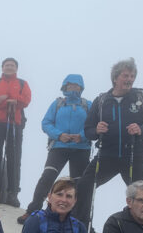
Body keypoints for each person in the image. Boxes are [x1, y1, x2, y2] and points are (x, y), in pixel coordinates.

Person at [73, 58, 143, 233]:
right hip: (107, 155)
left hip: (135, 156)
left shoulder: (141, 98)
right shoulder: (102, 100)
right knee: (84, 185)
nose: (129, 79)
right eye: (125, 75)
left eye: (132, 75)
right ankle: (83, 231)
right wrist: (96, 130)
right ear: (115, 78)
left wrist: (141, 130)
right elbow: (88, 129)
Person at [18, 74, 92, 224]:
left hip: (81, 148)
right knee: (47, 177)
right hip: (59, 146)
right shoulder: (58, 103)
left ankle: (77, 219)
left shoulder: (87, 105)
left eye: (76, 85)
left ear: (81, 87)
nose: (73, 87)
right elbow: (46, 123)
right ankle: (33, 211)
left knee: (79, 185)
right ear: (65, 86)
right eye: (70, 85)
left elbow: (93, 126)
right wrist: (60, 135)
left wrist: (82, 136)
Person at [0, 57, 32, 206]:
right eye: (6, 65)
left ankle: (13, 193)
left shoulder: (23, 83)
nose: (9, 67)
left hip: (15, 123)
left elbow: (26, 100)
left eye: (12, 65)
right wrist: (4, 101)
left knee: (14, 158)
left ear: (16, 68)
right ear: (2, 68)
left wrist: (8, 100)